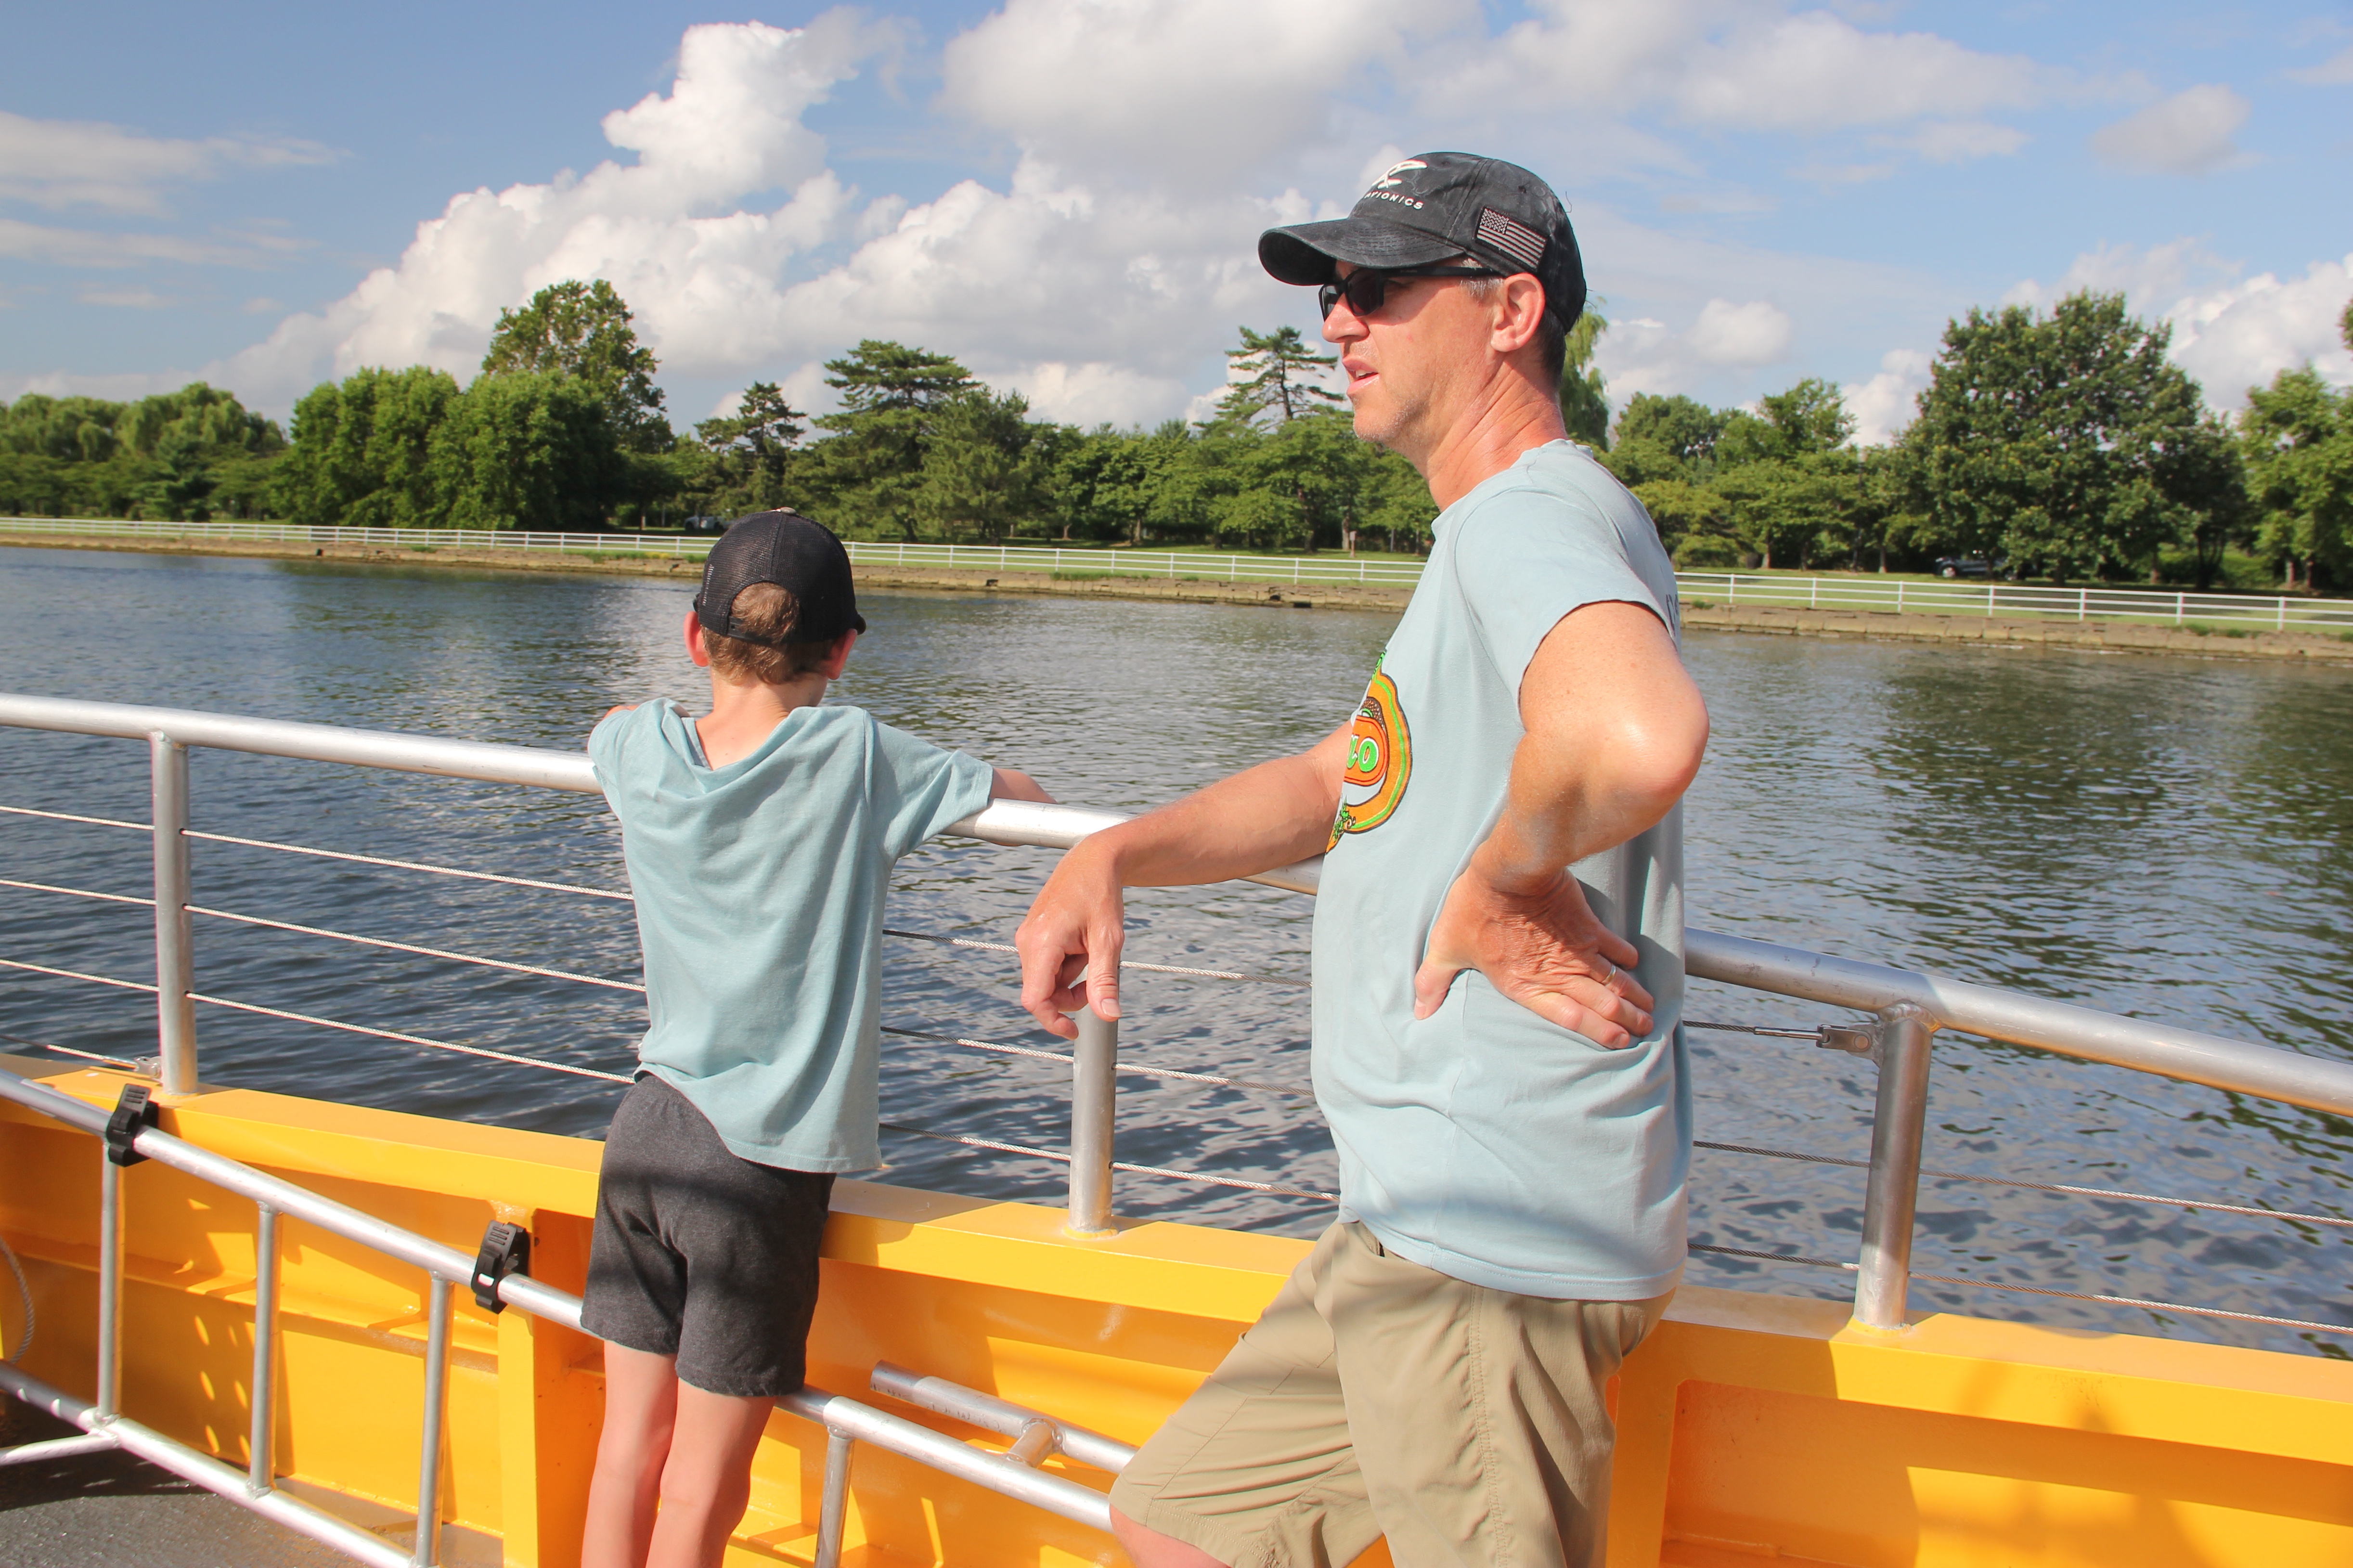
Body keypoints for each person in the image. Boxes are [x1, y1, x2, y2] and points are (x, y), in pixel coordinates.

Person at [1013, 153, 1710, 1567]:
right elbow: (1348, 777)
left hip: (1487, 1236)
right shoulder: (1486, 539)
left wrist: (1504, 882)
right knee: (1183, 1522)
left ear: (1510, 311)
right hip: (1410, 1216)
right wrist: (1116, 853)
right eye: (1334, 291)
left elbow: (1634, 736)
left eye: (1381, 288)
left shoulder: (1528, 513)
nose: (1339, 319)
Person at [578, 510, 1052, 1568]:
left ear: (695, 640)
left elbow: (609, 722)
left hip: (644, 1132)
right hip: (757, 1168)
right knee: (704, 1477)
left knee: (627, 1448)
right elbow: (1026, 799)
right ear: (842, 651)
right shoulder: (858, 755)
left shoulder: (640, 746)